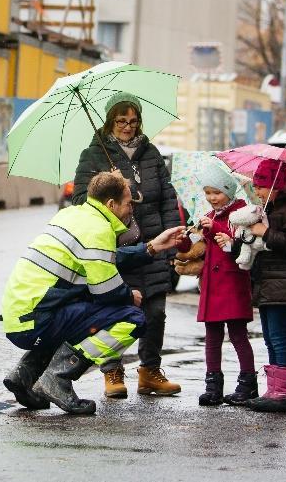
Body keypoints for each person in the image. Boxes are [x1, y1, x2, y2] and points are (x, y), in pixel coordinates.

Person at [1, 171, 187, 415]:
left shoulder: (73, 214)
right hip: (36, 320)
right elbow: (107, 292)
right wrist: (130, 296)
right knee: (131, 318)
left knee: (77, 316)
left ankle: (24, 375)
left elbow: (104, 259)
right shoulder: (99, 230)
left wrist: (151, 248)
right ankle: (58, 377)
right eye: (129, 202)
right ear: (111, 204)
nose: (132, 208)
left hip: (21, 317)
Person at [70, 93, 182, 398]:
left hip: (154, 242)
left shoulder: (151, 153)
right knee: (116, 311)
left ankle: (150, 372)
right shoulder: (93, 155)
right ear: (110, 121)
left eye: (133, 121)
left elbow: (168, 199)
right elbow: (80, 201)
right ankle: (112, 371)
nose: (128, 127)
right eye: (121, 121)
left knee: (155, 312)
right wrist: (110, 183)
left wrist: (172, 243)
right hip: (116, 247)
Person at [178, 165, 257, 407]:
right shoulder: (208, 216)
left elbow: (242, 243)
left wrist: (217, 229)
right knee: (212, 336)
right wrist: (182, 241)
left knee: (237, 335)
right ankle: (213, 385)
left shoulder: (241, 212)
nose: (212, 198)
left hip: (233, 283)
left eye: (217, 193)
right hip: (212, 286)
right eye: (208, 193)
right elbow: (192, 249)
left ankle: (248, 383)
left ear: (228, 191)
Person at [241, 158, 286, 413]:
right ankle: (275, 390)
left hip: (285, 284)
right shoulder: (276, 209)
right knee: (272, 339)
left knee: (280, 338)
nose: (257, 192)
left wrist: (264, 231)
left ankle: (284, 394)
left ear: (275, 185)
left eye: (260, 186)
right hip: (272, 283)